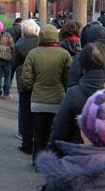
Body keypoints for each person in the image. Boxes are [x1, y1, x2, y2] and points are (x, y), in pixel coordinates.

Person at [23, 24, 72, 163]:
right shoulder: (64, 54)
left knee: (38, 132)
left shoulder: (33, 53)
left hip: (38, 100)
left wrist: (34, 87)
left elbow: (26, 78)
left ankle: (37, 161)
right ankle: (50, 161)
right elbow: (69, 77)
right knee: (52, 133)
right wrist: (61, 88)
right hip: (57, 99)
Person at [49, 44, 105, 150]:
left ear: (83, 67)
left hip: (76, 152)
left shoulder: (74, 93)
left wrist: (54, 153)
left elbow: (60, 129)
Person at [14, 19, 40, 155]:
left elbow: (15, 63)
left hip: (24, 83)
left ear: (23, 31)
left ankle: (26, 141)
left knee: (24, 111)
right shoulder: (41, 44)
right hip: (40, 83)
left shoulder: (19, 44)